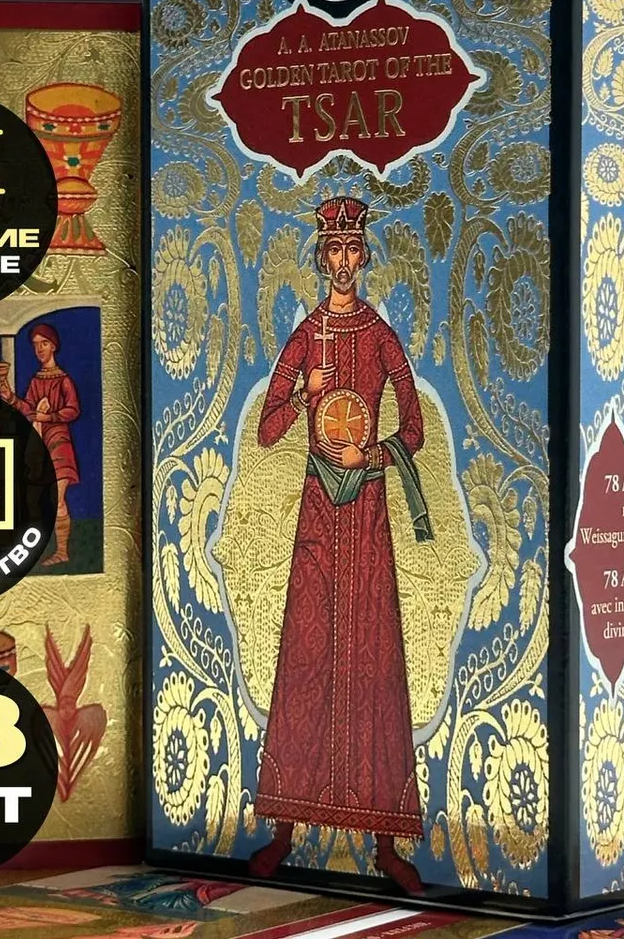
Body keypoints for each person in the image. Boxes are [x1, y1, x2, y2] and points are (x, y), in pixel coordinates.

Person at [248, 196, 433, 894]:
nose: (344, 261)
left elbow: (413, 428)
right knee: (308, 652)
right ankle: (285, 829)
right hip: (318, 514)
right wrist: (304, 394)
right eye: (334, 250)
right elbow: (268, 428)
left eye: (354, 249)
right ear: (321, 258)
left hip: (368, 510)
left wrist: (373, 456)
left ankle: (386, 842)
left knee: (374, 654)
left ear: (364, 255)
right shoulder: (306, 335)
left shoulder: (381, 335)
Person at [0, 322, 80, 566]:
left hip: (59, 444)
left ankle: (62, 552)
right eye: (35, 345)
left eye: (44, 344)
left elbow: (73, 409)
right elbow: (28, 409)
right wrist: (10, 397)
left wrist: (49, 417)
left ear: (53, 346)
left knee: (58, 499)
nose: (39, 349)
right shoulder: (36, 380)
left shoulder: (63, 380)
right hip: (40, 442)